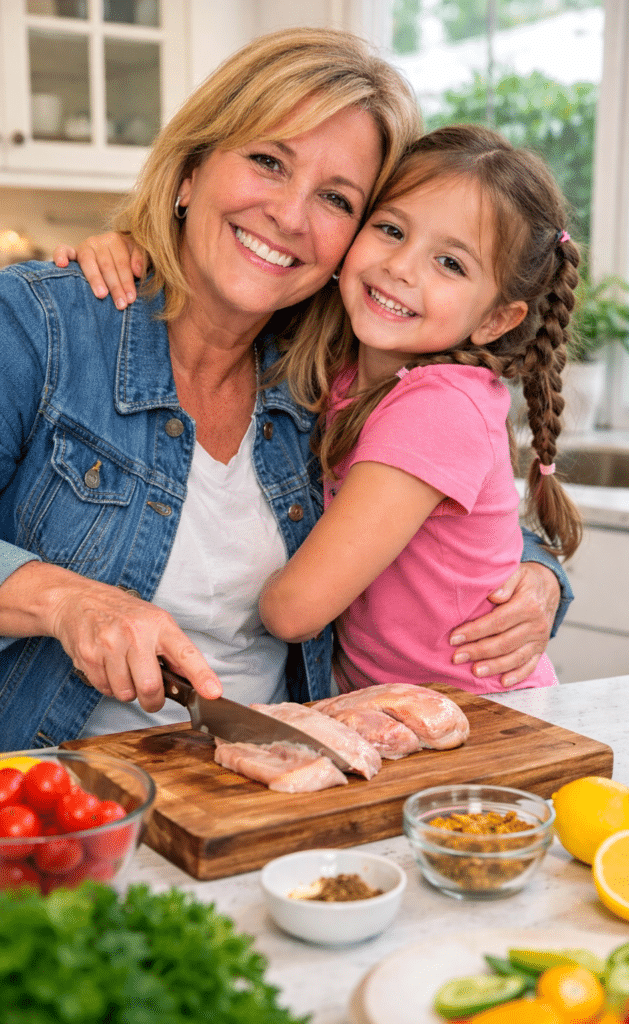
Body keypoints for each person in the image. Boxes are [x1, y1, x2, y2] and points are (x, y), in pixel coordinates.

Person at [0, 29, 568, 752]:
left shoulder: (329, 374)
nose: (291, 216)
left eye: (335, 198)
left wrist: (541, 579)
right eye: (268, 161)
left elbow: (450, 526)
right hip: (58, 798)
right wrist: (65, 600)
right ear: (189, 171)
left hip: (270, 797)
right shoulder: (41, 325)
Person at [258, 124, 582, 693]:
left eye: (450, 264)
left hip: (485, 727)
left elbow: (293, 611)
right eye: (390, 229)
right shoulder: (349, 367)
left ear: (495, 320)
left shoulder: (437, 408)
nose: (402, 267)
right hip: (415, 715)